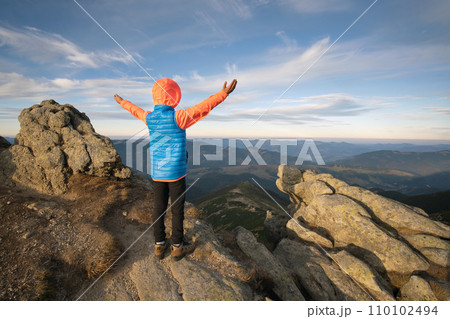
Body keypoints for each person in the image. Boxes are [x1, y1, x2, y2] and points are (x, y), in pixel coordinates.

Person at [114, 78, 237, 261]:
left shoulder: (150, 118)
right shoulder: (179, 117)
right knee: (177, 209)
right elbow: (203, 107)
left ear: (155, 97)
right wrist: (223, 94)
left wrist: (123, 102)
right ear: (175, 96)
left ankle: (159, 244)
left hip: (157, 172)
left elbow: (136, 111)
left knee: (159, 208)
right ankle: (177, 247)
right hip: (176, 173)